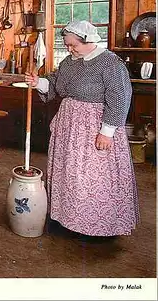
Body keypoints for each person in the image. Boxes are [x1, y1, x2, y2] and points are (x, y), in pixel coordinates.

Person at [25, 20, 139, 238]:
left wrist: (107, 132)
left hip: (94, 128)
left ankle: (95, 225)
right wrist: (38, 82)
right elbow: (56, 84)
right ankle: (67, 217)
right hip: (69, 127)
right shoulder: (69, 62)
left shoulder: (110, 64)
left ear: (88, 41)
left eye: (73, 45)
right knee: (68, 172)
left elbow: (119, 98)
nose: (69, 49)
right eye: (67, 45)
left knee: (91, 176)